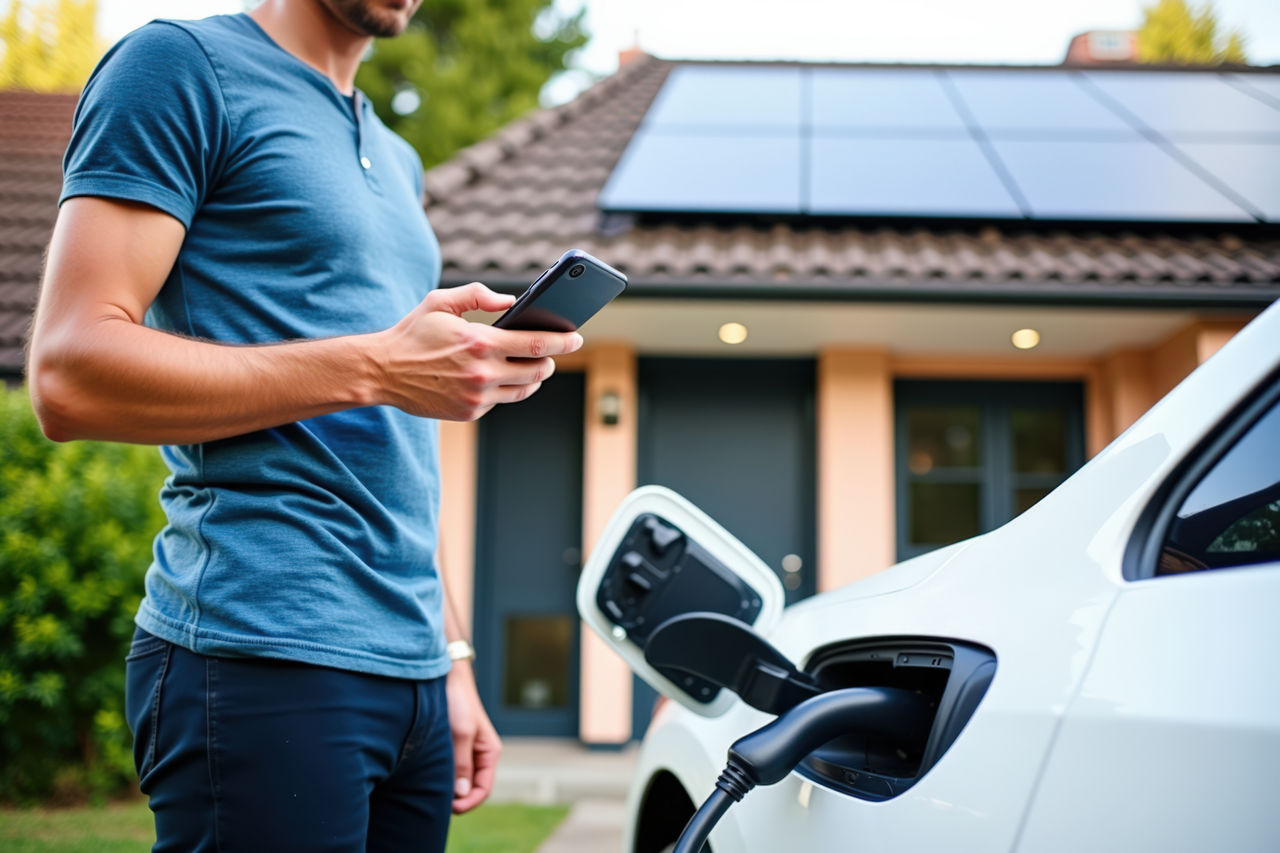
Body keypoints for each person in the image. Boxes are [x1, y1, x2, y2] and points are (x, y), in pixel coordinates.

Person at [27, 0, 583, 849]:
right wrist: (379, 365)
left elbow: (394, 445)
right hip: (260, 647)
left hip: (414, 674)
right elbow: (69, 372)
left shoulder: (398, 159)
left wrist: (454, 661)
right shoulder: (178, 66)